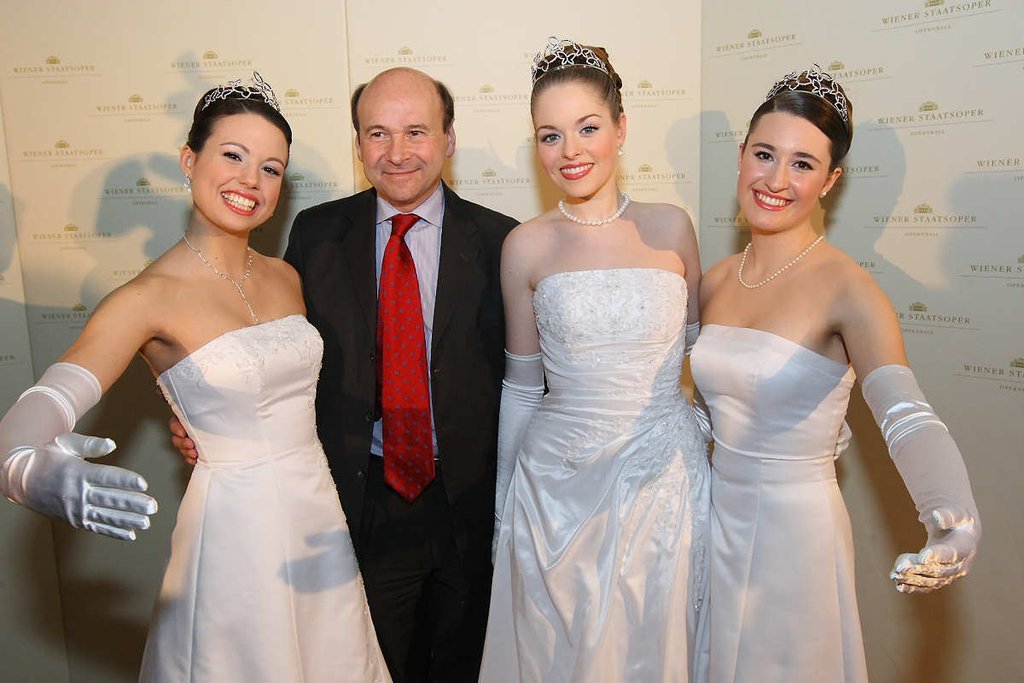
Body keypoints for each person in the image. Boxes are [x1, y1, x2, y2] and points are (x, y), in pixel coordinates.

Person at [0, 74, 390, 682]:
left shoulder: (287, 277)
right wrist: (27, 469)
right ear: (190, 160)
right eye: (232, 155)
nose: (250, 180)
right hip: (235, 531)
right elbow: (34, 412)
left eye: (270, 168)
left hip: (317, 513)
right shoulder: (145, 298)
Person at [174, 67, 518, 682]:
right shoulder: (316, 234)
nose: (397, 152)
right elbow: (267, 345)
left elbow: (533, 379)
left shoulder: (502, 242)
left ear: (449, 138)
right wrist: (205, 413)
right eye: (378, 133)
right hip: (360, 501)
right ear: (358, 144)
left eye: (417, 132)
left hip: (475, 505)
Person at [690, 65, 981, 682]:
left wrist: (953, 520)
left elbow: (907, 416)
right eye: (764, 154)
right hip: (710, 523)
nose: (776, 180)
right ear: (741, 156)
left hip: (794, 538)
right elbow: (703, 414)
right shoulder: (714, 281)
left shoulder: (850, 290)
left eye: (802, 164)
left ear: (830, 181)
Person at [479, 38, 710, 681]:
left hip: (665, 485)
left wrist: (715, 439)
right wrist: (503, 509)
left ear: (621, 128)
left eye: (587, 128)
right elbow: (522, 386)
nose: (570, 151)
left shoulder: (672, 226)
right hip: (557, 491)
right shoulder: (525, 246)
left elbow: (706, 353)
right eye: (550, 136)